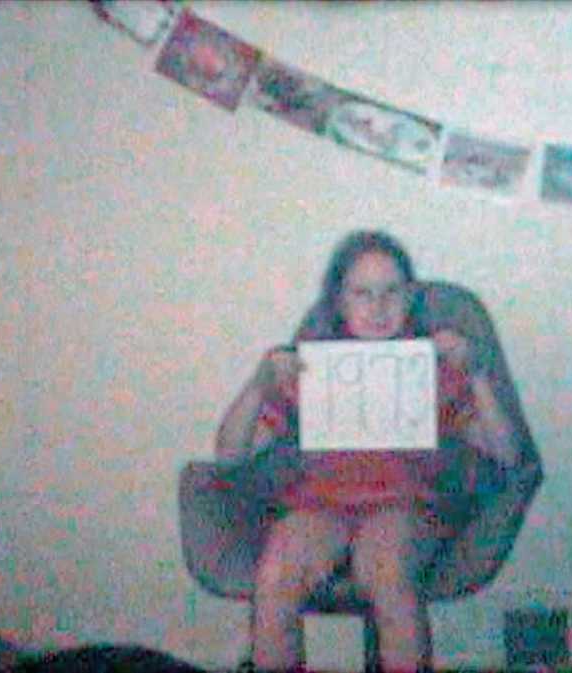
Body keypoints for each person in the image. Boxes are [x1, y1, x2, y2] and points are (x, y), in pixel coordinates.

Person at [215, 230, 523, 673]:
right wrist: (258, 383)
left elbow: (507, 454)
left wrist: (475, 375)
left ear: (411, 296)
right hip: (321, 503)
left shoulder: (432, 365)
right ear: (339, 301)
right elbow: (230, 454)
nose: (378, 307)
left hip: (407, 502)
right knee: (276, 574)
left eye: (391, 292)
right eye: (362, 293)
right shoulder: (310, 364)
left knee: (386, 567)